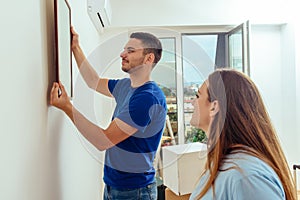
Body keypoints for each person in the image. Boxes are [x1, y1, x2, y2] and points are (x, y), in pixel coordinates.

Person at [50, 27, 167, 200]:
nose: (122, 54)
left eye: (130, 51)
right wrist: (75, 47)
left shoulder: (147, 99)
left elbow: (103, 140)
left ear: (149, 58)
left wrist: (67, 106)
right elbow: (93, 82)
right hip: (114, 185)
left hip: (135, 192)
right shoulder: (125, 86)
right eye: (124, 49)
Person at [189, 69, 296, 200]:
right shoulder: (226, 166)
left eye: (198, 96)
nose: (193, 102)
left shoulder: (246, 177)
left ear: (214, 107)